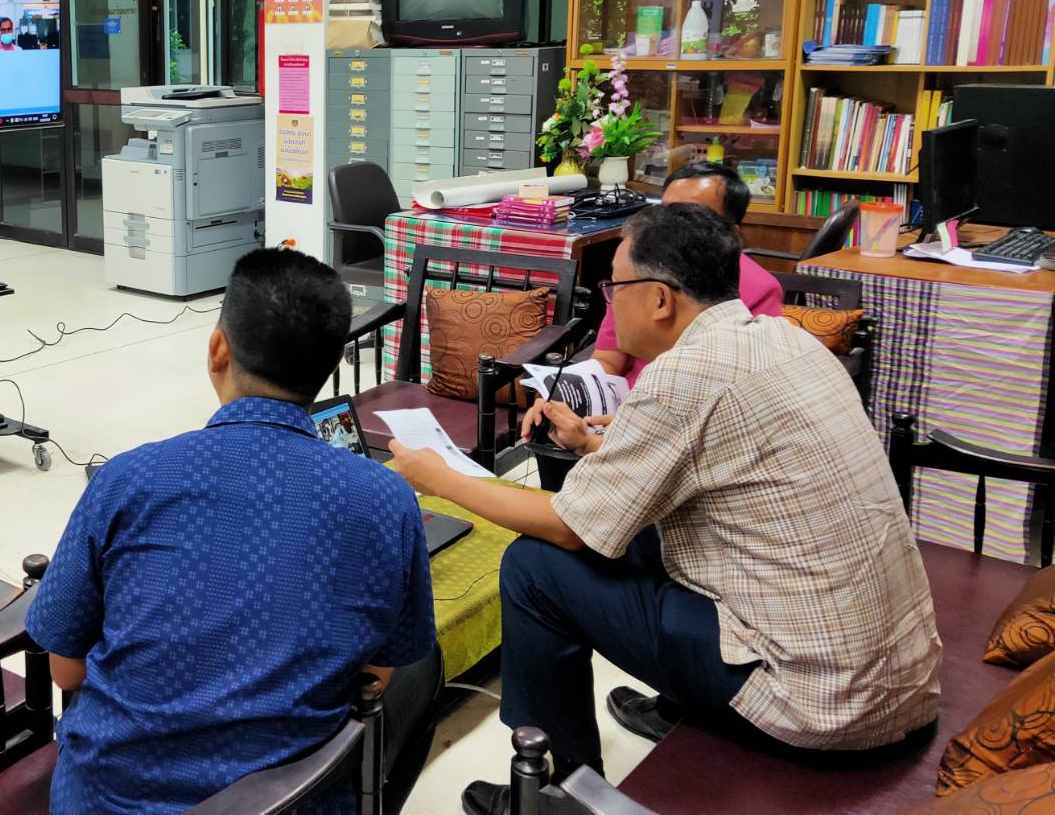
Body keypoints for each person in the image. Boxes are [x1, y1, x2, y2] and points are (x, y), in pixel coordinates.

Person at [389, 205, 941, 815]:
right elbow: (712, 470)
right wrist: (598, 445)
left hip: (817, 701)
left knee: (535, 568)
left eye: (613, 288)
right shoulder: (782, 339)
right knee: (644, 530)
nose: (608, 303)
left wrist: (438, 478)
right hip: (896, 684)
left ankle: (559, 792)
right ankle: (668, 711)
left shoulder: (689, 372)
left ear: (658, 299)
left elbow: (570, 529)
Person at [26, 248, 438, 815]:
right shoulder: (384, 499)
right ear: (332, 362)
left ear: (218, 348)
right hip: (292, 801)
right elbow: (381, 670)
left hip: (104, 801)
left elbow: (65, 667)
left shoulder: (129, 479)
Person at [593, 161, 783, 390]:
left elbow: (741, 382)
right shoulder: (635, 272)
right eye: (666, 213)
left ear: (731, 234)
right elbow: (607, 360)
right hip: (626, 400)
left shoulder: (760, 287)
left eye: (693, 218)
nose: (671, 229)